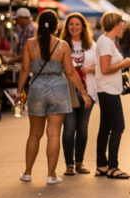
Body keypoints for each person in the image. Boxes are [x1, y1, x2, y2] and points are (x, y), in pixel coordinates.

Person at [14, 10, 92, 184]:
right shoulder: (62, 45)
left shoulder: (30, 44)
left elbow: (25, 70)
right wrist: (84, 94)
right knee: (54, 134)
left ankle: (27, 173)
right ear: (57, 26)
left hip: (37, 88)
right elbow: (71, 72)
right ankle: (51, 175)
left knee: (34, 134)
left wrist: (19, 92)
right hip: (58, 89)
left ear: (39, 24)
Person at [95, 12, 130, 179]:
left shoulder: (108, 41)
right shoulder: (106, 42)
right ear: (116, 24)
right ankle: (113, 166)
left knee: (105, 127)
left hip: (107, 88)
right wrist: (124, 63)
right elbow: (105, 68)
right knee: (119, 126)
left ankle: (102, 165)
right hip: (108, 89)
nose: (122, 28)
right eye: (121, 24)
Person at [60, 12, 98, 176]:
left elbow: (101, 67)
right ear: (67, 27)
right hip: (67, 92)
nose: (74, 27)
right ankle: (69, 164)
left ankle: (80, 162)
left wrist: (89, 69)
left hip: (88, 91)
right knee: (69, 128)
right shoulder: (62, 45)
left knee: (82, 128)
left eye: (77, 24)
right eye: (71, 24)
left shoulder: (92, 46)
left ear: (83, 27)